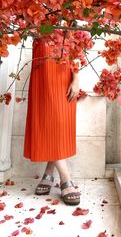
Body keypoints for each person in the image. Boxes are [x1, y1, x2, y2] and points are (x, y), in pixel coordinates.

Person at [23, 32, 81, 206]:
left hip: (62, 74)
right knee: (47, 121)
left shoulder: (71, 10)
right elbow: (28, 30)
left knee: (58, 123)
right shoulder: (32, 6)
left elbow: (78, 48)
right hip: (41, 70)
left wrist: (76, 78)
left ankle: (51, 174)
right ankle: (65, 177)